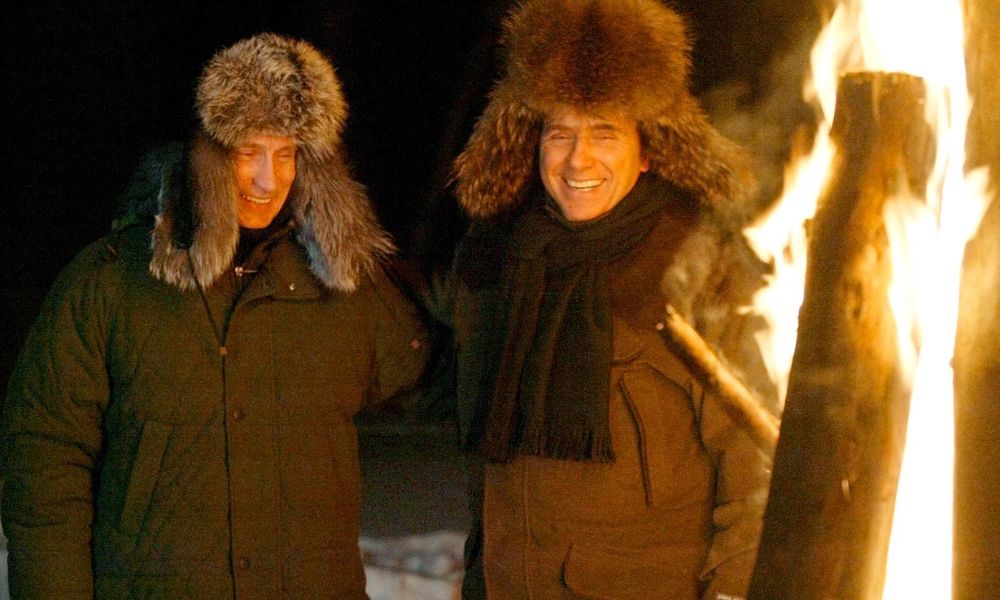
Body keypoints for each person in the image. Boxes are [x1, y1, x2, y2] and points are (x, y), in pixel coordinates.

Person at [1, 33, 428, 598]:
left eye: (285, 154)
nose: (268, 180)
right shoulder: (109, 284)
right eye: (249, 151)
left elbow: (454, 381)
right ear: (205, 153)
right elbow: (43, 462)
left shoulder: (345, 290)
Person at [446, 1, 776, 598]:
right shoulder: (496, 263)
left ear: (647, 149)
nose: (579, 159)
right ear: (533, 143)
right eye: (560, 133)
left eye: (605, 133)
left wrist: (733, 590)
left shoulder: (698, 268)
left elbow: (756, 468)